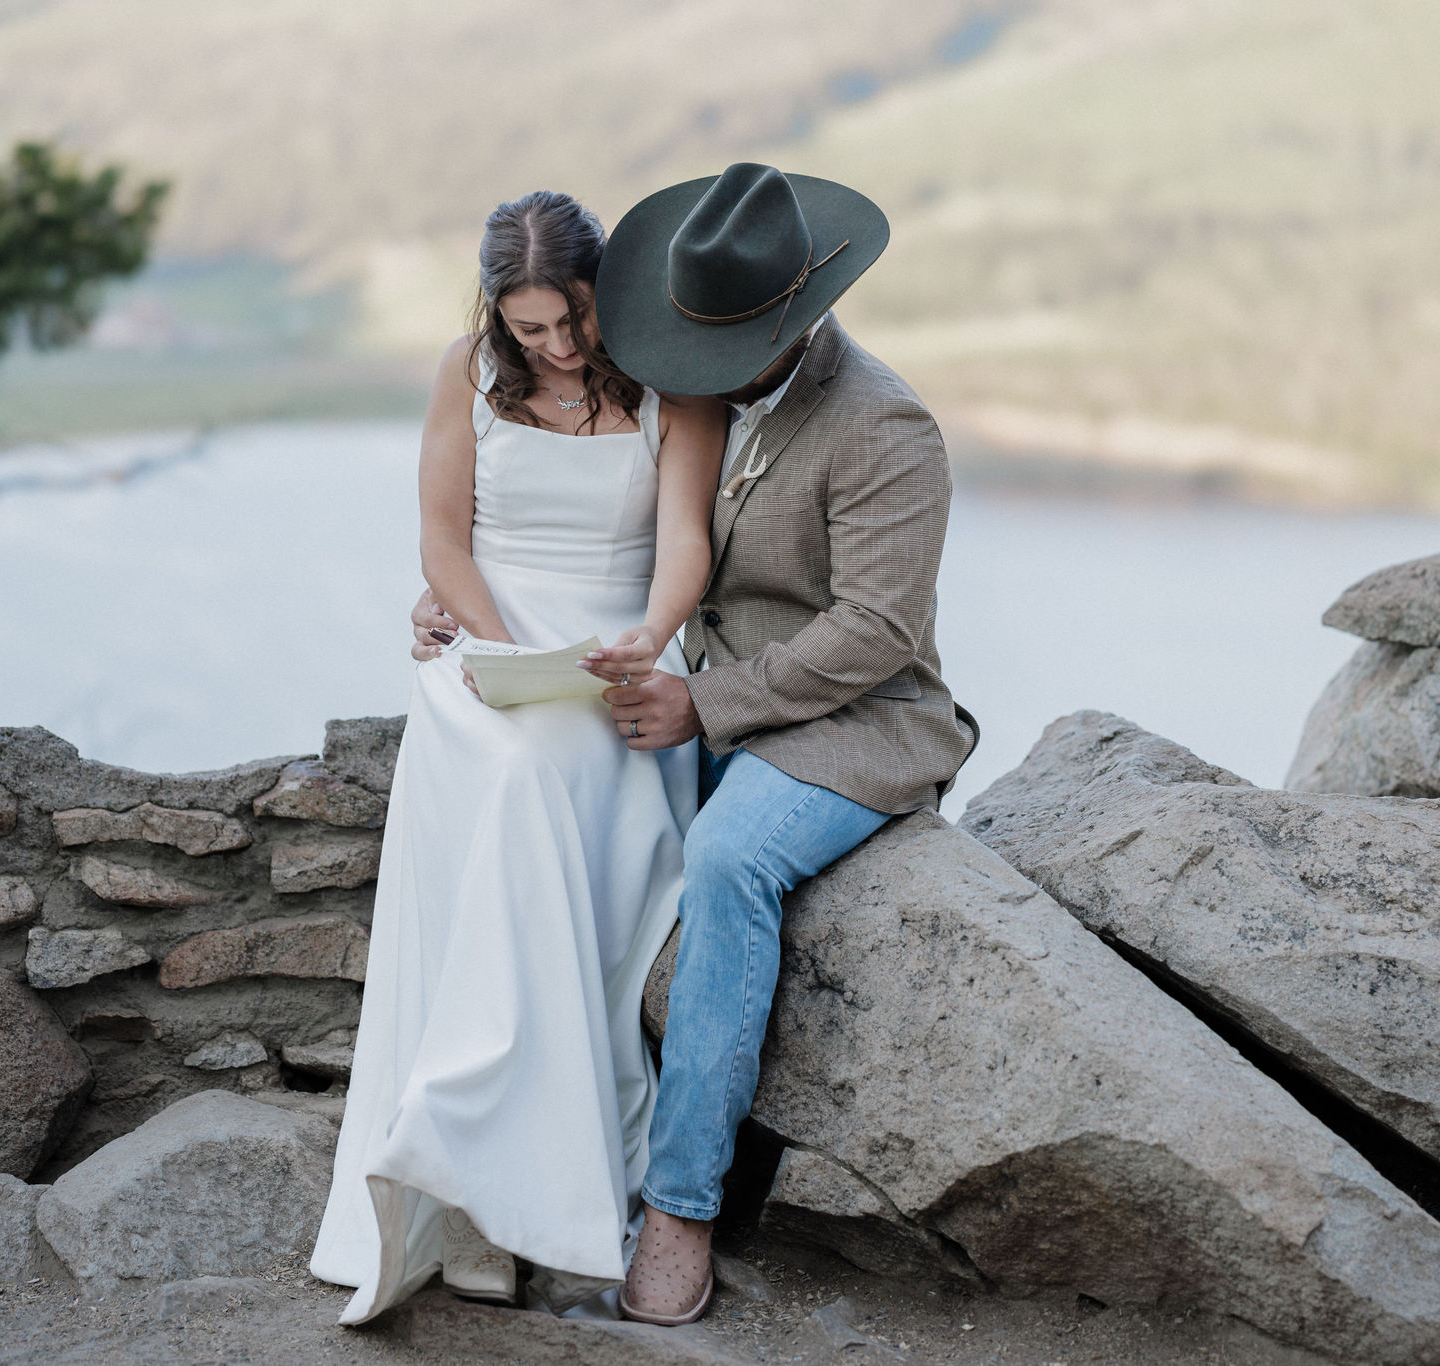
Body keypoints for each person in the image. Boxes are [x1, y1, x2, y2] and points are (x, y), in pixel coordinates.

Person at [410, 163, 978, 1326]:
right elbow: (568, 525)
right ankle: (515, 1151)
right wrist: (445, 604)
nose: (680, 364)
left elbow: (875, 632)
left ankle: (677, 1206)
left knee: (723, 861)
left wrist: (703, 710)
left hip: (849, 721)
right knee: (575, 816)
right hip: (705, 691)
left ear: (794, 319)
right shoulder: (688, 368)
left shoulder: (886, 426)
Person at [310, 190, 728, 1324]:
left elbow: (683, 542)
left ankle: (496, 1183)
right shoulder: (465, 373)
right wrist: (485, 642)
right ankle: (465, 1196)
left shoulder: (672, 384)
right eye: (528, 325)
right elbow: (443, 535)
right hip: (488, 649)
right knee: (506, 765)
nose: (552, 344)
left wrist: (646, 638)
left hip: (605, 659)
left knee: (548, 771)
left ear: (607, 291)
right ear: (496, 314)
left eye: (572, 318)